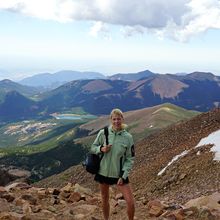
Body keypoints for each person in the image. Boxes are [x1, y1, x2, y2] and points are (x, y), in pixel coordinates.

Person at [91, 108, 135, 220]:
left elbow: (130, 158)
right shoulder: (103, 133)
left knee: (130, 202)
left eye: (118, 119)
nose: (116, 121)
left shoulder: (128, 138)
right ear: (111, 119)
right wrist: (101, 149)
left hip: (119, 174)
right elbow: (93, 147)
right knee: (104, 198)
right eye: (114, 119)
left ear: (122, 119)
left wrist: (123, 175)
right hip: (103, 171)